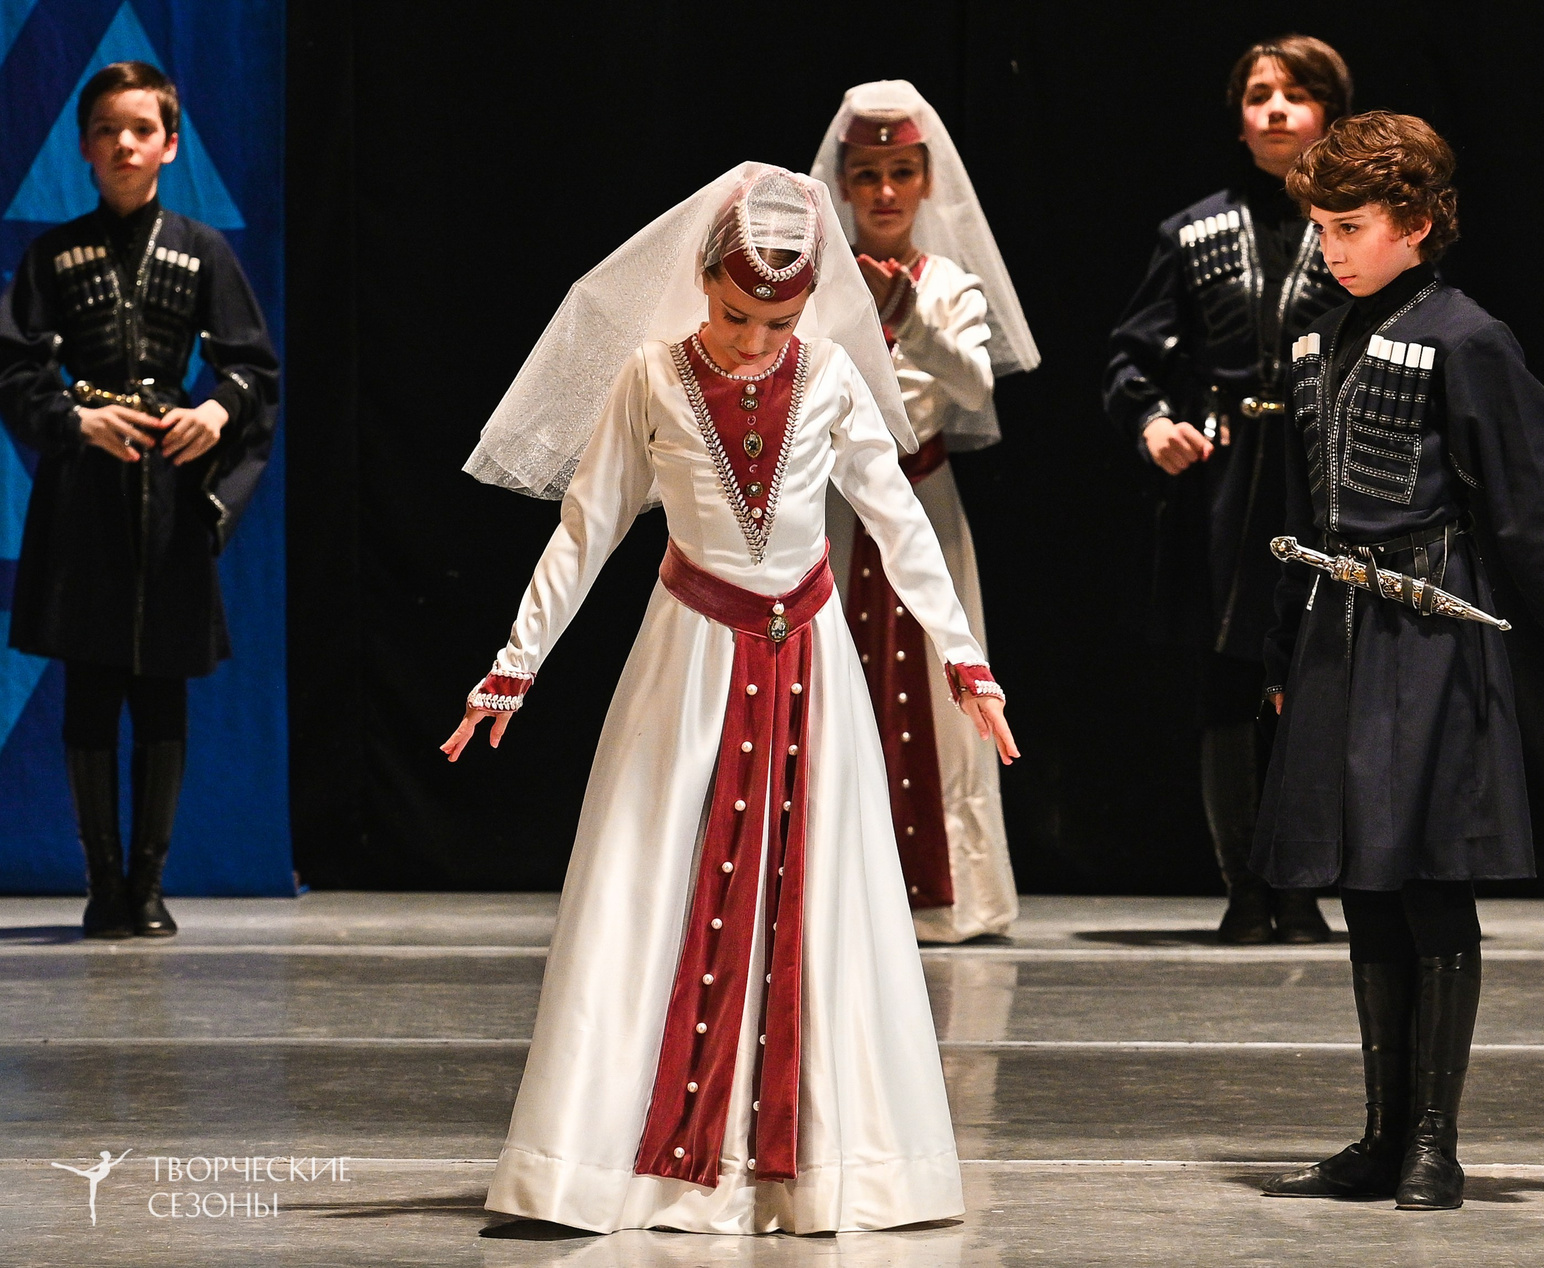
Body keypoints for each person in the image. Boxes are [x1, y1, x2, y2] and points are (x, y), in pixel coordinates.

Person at [444, 164, 1016, 1236]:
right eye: (735, 314)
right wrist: (513, 665)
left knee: (824, 893)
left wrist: (964, 659)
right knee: (650, 878)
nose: (755, 341)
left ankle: (822, 1165)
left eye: (778, 322)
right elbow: (586, 529)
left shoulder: (832, 374)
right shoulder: (650, 379)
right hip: (690, 661)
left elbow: (898, 523)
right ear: (702, 281)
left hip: (812, 661)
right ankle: (606, 1162)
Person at [1253, 113, 1544, 1210]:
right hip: (1338, 633)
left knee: (1427, 878)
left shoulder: (1468, 340)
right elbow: (1300, 513)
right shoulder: (1317, 339)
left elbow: (1540, 512)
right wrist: (1282, 647)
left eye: (1352, 226)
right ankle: (1380, 1134)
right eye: (1322, 228)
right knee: (1364, 881)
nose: (1331, 248)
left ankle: (1433, 1138)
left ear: (1416, 224)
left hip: (1429, 634)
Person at [0, 61, 278, 940]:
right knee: (88, 692)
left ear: (171, 143)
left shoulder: (204, 249)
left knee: (162, 693)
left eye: (142, 129)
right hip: (83, 500)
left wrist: (215, 411)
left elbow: (253, 368)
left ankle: (149, 886)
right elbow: (14, 372)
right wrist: (74, 422)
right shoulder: (51, 256)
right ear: (83, 147)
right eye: (107, 130)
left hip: (170, 501)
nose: (124, 144)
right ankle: (103, 886)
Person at [1104, 36, 1351, 944]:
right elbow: (1131, 356)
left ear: (1330, 114)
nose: (1276, 108)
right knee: (1227, 680)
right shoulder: (1194, 231)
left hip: (1331, 482)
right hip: (1226, 487)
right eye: (1259, 94)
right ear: (1239, 121)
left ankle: (1303, 885)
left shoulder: (1360, 228)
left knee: (1319, 682)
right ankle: (1245, 885)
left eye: (1297, 93)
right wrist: (1152, 423)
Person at [808, 80, 1040, 943]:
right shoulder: (816, 282)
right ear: (842, 183)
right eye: (867, 174)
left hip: (924, 497)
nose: (884, 192)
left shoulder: (947, 283)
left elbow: (976, 387)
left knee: (945, 687)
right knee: (832, 678)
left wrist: (910, 319)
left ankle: (952, 898)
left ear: (926, 180)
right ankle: (831, 892)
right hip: (834, 503)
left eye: (901, 172)